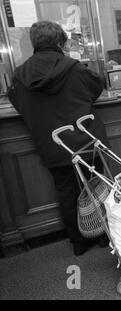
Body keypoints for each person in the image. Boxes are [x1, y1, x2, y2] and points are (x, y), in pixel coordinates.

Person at [7, 21, 109, 256]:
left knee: (67, 193)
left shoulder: (20, 75)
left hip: (54, 145)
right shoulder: (73, 67)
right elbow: (97, 87)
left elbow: (19, 103)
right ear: (61, 42)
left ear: (34, 43)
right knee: (96, 186)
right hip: (86, 140)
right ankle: (103, 234)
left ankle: (78, 241)